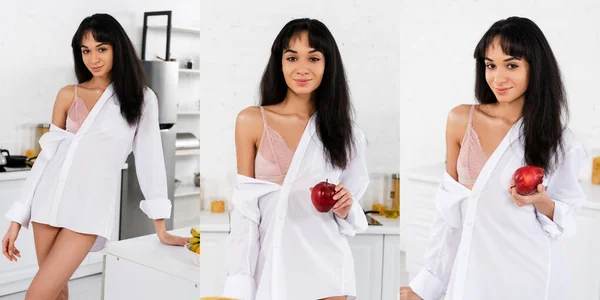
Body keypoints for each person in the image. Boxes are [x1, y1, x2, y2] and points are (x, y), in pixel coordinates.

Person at [1, 13, 188, 300]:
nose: (93, 58)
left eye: (102, 48)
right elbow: (47, 158)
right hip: (46, 204)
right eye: (85, 50)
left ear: (117, 48)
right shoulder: (67, 94)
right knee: (55, 293)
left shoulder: (141, 98)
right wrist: (16, 219)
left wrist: (160, 227)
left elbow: (151, 161)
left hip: (88, 210)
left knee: (36, 295)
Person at [400, 16, 588, 300]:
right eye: (490, 65)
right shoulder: (461, 119)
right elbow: (450, 213)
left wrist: (539, 199)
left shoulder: (559, 141)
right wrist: (427, 284)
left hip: (526, 278)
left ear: (536, 68)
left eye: (511, 65)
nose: (498, 78)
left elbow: (566, 218)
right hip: (469, 277)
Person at [222, 18, 370, 300]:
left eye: (313, 57)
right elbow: (245, 211)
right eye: (292, 57)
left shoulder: (347, 134)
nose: (302, 68)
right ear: (280, 63)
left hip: (327, 269)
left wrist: (346, 206)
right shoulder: (252, 120)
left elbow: (351, 213)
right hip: (271, 268)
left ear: (328, 65)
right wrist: (239, 281)